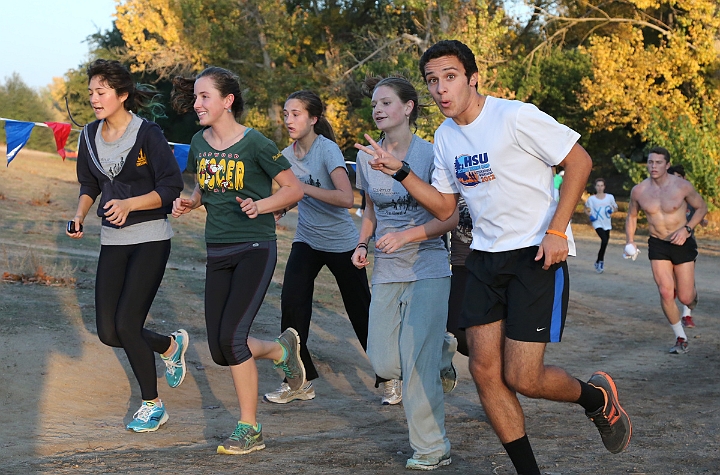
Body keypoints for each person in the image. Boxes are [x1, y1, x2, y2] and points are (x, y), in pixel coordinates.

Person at [357, 40, 632, 475]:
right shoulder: (446, 138)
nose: (441, 89)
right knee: (485, 372)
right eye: (432, 81)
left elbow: (578, 161)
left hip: (535, 255)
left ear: (472, 77)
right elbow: (447, 209)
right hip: (485, 258)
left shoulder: (515, 116)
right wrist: (404, 173)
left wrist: (558, 230)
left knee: (525, 378)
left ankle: (596, 398)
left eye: (449, 77)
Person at [170, 67, 306, 455]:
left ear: (227, 101)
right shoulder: (198, 142)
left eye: (204, 97)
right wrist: (191, 201)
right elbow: (204, 185)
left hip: (254, 248)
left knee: (232, 339)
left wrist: (260, 205)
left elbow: (293, 189)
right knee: (219, 349)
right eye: (196, 97)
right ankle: (281, 351)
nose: (196, 104)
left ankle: (250, 428)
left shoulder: (256, 144)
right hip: (217, 251)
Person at [66, 59, 188, 433]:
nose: (94, 99)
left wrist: (129, 204)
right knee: (107, 330)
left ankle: (153, 405)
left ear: (122, 95)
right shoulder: (88, 136)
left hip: (151, 238)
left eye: (101, 92)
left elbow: (171, 187)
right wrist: (80, 214)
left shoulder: (148, 134)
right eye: (91, 93)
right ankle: (169, 345)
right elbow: (89, 184)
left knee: (127, 324)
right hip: (112, 241)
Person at [353, 76, 459, 470]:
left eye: (386, 103)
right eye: (375, 104)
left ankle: (432, 449)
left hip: (428, 264)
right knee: (383, 363)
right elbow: (369, 210)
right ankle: (444, 350)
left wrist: (406, 236)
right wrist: (362, 243)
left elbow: (450, 217)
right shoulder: (366, 157)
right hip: (386, 269)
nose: (378, 110)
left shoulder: (431, 155)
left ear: (408, 107)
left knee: (417, 368)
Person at [263, 90, 372, 404]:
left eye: (295, 114)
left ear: (313, 119)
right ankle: (299, 379)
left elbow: (346, 198)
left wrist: (301, 188)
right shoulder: (285, 154)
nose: (288, 120)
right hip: (307, 240)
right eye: (285, 114)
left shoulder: (328, 150)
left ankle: (389, 374)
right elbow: (290, 195)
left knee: (361, 314)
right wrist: (278, 208)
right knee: (292, 304)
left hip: (341, 244)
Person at [626, 148, 706, 354]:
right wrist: (630, 241)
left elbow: (701, 207)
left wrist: (687, 230)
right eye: (650, 162)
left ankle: (691, 297)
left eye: (658, 162)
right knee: (665, 291)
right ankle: (681, 337)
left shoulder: (682, 187)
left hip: (682, 241)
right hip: (658, 243)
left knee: (686, 298)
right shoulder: (639, 190)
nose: (653, 166)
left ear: (667, 165)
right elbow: (632, 216)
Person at [667, 164, 707, 329]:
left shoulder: (690, 196)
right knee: (672, 281)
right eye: (672, 176)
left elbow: (701, 210)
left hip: (688, 245)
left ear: (683, 178)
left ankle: (687, 315)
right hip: (667, 245)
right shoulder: (664, 198)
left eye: (678, 176)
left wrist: (702, 220)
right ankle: (677, 293)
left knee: (687, 282)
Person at [584, 178, 618, 273]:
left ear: (604, 187)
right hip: (597, 222)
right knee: (604, 240)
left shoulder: (609, 197)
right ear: (595, 187)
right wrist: (590, 215)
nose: (599, 188)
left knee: (605, 242)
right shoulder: (591, 199)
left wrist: (611, 210)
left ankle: (598, 261)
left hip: (607, 223)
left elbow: (615, 207)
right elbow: (586, 209)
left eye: (601, 185)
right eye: (598, 185)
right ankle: (601, 262)